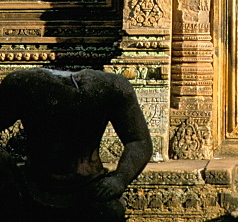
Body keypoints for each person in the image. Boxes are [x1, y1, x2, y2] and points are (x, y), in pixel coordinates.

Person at [0, 67, 152, 221]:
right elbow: (139, 142)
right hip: (35, 185)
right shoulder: (23, 84)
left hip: (90, 188)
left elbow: (139, 141)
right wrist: (6, 166)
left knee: (110, 211)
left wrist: (119, 179)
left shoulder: (113, 87)